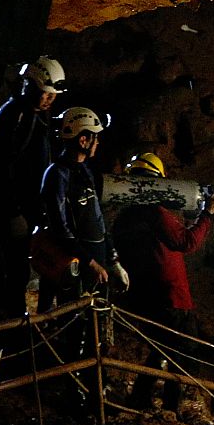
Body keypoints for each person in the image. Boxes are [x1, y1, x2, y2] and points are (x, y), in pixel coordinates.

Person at [112, 152, 214, 414]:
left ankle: (140, 399)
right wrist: (207, 215)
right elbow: (187, 242)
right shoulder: (155, 213)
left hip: (146, 296)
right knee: (183, 354)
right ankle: (172, 409)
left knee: (159, 348)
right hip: (171, 296)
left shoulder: (124, 217)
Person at [0, 56, 67, 318]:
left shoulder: (38, 115)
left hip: (30, 207)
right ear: (29, 85)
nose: (49, 100)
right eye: (45, 93)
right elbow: (0, 169)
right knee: (14, 268)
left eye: (53, 95)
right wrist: (13, 212)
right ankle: (9, 325)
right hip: (12, 208)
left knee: (28, 267)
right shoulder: (12, 116)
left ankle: (25, 318)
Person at [37, 106, 127, 304]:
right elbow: (61, 228)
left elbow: (98, 219)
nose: (98, 142)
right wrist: (91, 263)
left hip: (94, 264)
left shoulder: (84, 172)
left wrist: (113, 261)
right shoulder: (57, 175)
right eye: (95, 137)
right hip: (75, 267)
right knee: (72, 323)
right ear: (83, 139)